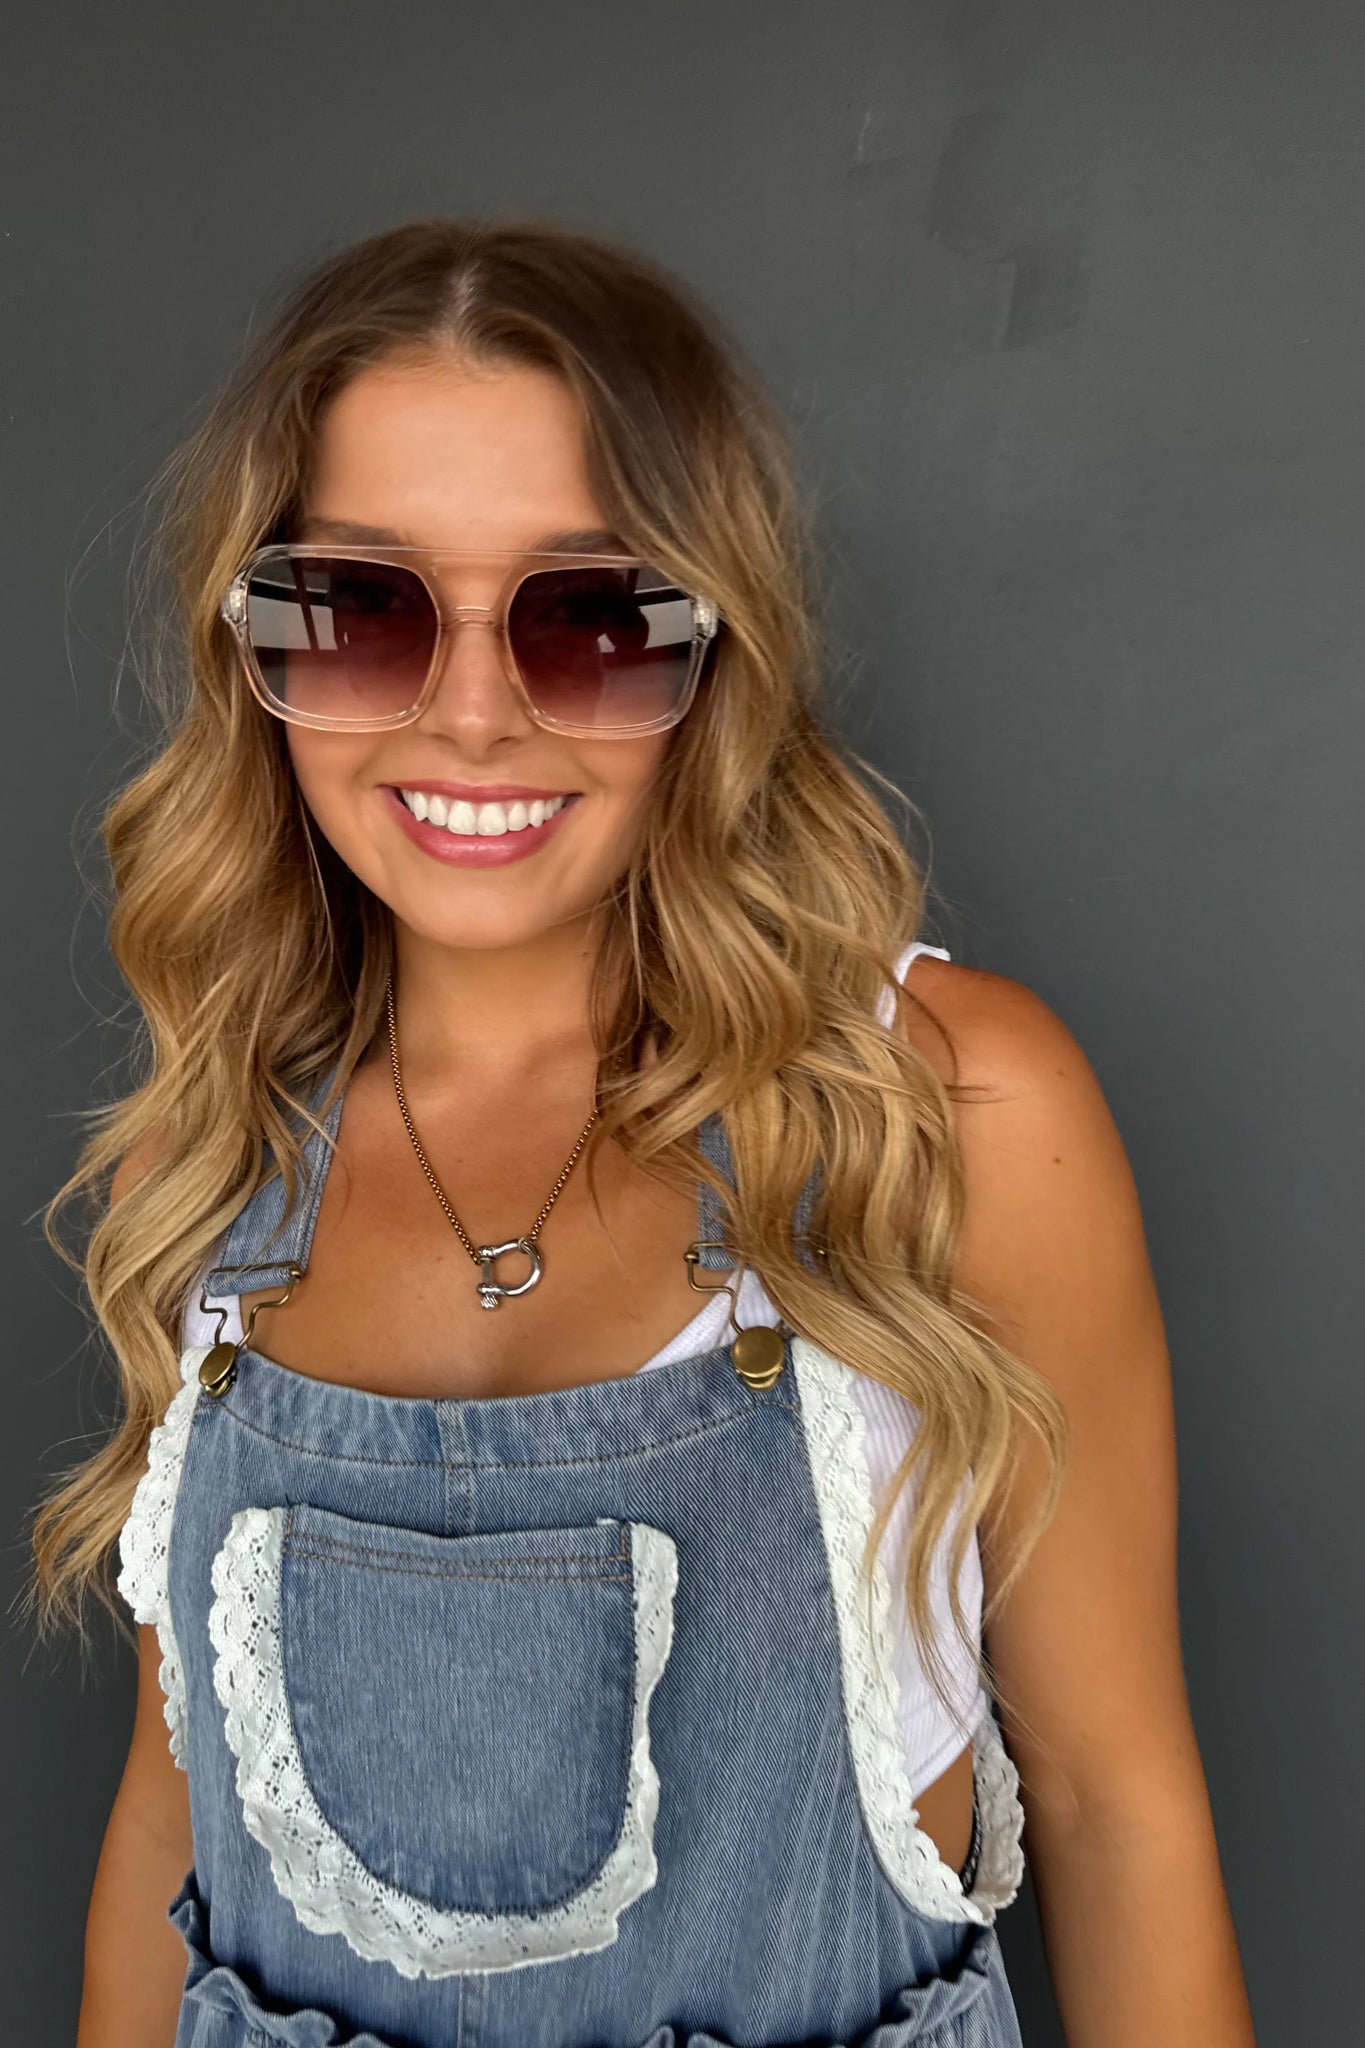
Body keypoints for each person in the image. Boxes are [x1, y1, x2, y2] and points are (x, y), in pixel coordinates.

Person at [31, 216, 1255, 2048]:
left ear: (710, 653)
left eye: (587, 618)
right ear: (254, 647)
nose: (469, 714)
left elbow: (1115, 1811)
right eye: (361, 609)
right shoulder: (204, 1169)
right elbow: (171, 1820)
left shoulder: (945, 1117)